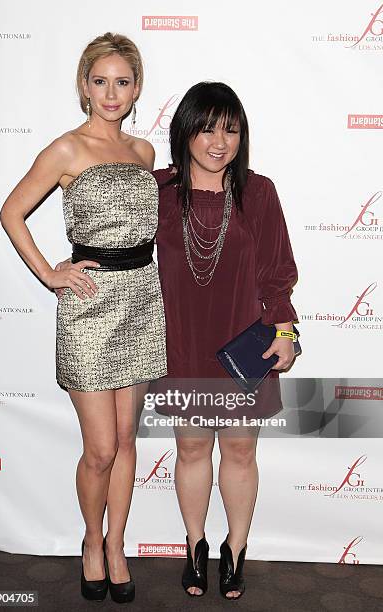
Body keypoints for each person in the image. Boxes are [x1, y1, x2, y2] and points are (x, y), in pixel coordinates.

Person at [0, 32, 167, 604]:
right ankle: (90, 542)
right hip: (91, 307)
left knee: (125, 439)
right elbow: (12, 211)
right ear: (84, 87)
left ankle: (117, 545)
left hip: (142, 300)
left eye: (123, 81)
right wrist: (51, 272)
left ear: (137, 88)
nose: (111, 92)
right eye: (101, 81)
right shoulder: (67, 149)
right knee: (99, 447)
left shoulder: (144, 154)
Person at [151, 82, 298, 600]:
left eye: (231, 130)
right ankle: (195, 547)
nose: (220, 141)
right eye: (208, 127)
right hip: (181, 343)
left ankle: (235, 550)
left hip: (243, 347)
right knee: (191, 450)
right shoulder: (158, 191)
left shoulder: (258, 192)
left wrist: (284, 329)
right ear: (184, 130)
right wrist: (70, 263)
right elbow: (119, 249)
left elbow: (277, 271)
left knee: (239, 452)